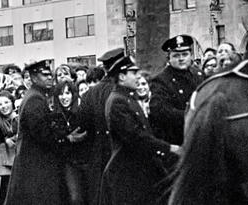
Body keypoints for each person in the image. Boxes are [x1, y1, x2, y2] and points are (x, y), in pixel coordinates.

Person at [100, 51, 179, 205]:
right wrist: (169, 148)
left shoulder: (127, 97)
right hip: (127, 175)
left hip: (138, 172)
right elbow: (136, 136)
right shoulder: (118, 101)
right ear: (122, 77)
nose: (138, 76)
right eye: (133, 72)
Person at [5, 60, 82, 205]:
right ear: (34, 78)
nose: (49, 78)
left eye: (50, 74)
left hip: (34, 165)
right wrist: (67, 138)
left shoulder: (37, 96)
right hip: (35, 166)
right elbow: (43, 134)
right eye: (44, 75)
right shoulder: (35, 99)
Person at [78, 48, 122, 205]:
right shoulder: (123, 91)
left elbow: (82, 124)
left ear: (105, 69)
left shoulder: (90, 94)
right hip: (121, 153)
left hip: (97, 154)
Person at [149, 35, 204, 147]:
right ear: (169, 59)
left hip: (201, 136)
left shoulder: (199, 75)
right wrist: (192, 115)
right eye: (176, 55)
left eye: (185, 54)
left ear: (191, 56)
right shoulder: (161, 80)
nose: (181, 58)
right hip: (178, 139)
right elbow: (161, 111)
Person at [50, 79, 90, 205]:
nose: (64, 97)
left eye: (67, 93)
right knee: (75, 198)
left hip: (86, 160)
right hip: (69, 163)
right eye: (61, 94)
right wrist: (66, 137)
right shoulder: (53, 117)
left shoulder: (82, 113)